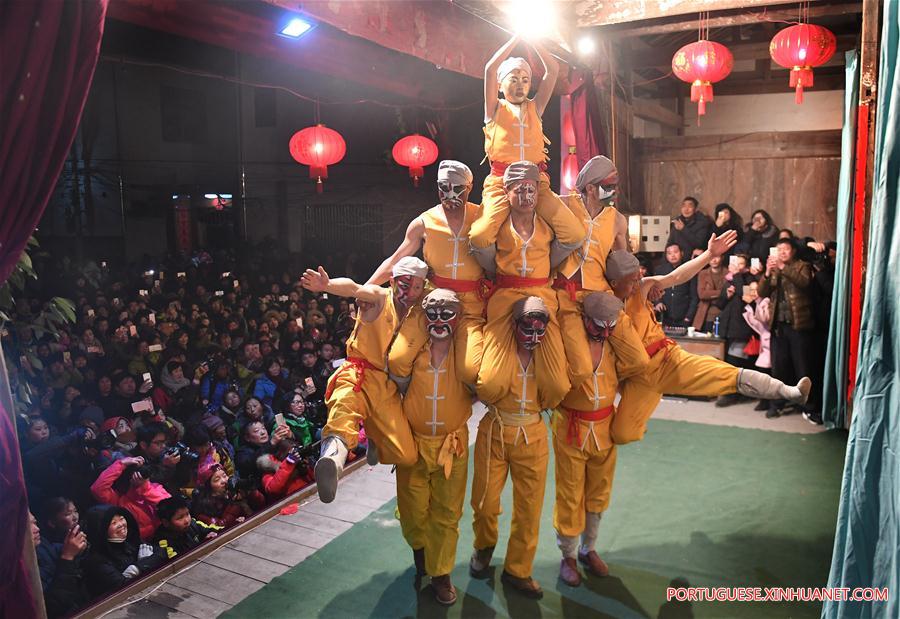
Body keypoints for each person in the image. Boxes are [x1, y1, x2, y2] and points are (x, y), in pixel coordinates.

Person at [606, 236, 812, 446]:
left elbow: (678, 275)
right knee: (623, 434)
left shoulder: (643, 287)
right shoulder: (603, 304)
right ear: (614, 282)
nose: (636, 281)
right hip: (636, 377)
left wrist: (709, 254)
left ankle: (789, 391)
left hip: (667, 360)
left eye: (637, 277)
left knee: (725, 374)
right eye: (631, 279)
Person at [301, 256, 428, 502]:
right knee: (343, 413)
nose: (410, 292)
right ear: (392, 282)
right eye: (404, 285)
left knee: (407, 454)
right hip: (358, 373)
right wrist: (326, 286)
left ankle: (374, 434)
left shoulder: (417, 310)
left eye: (417, 287)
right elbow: (354, 288)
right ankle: (332, 461)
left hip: (387, 385)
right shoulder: (379, 298)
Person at [552, 292, 648, 586]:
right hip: (570, 427)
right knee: (569, 494)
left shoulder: (614, 341)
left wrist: (617, 329)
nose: (604, 332)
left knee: (599, 493)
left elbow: (638, 361)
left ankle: (587, 549)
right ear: (583, 319)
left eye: (610, 326)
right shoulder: (569, 341)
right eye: (598, 326)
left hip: (605, 428)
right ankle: (567, 555)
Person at [477, 161, 584, 416]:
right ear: (507, 193)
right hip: (505, 295)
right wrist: (501, 273)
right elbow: (480, 242)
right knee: (490, 383)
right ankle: (504, 405)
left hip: (542, 294)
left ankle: (537, 409)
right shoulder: (498, 226)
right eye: (518, 190)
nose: (526, 196)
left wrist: (545, 268)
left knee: (557, 385)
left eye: (531, 190)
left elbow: (574, 236)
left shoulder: (547, 226)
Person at [367, 160, 485, 385]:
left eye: (456, 187)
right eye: (443, 187)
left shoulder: (483, 217)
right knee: (398, 359)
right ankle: (403, 409)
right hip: (432, 300)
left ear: (469, 188)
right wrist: (365, 289)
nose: (449, 193)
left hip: (471, 305)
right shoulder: (424, 222)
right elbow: (394, 261)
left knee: (471, 370)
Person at [470, 296, 557, 599]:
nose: (533, 337)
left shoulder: (551, 356)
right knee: (483, 503)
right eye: (527, 329)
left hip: (532, 432)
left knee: (529, 509)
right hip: (494, 428)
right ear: (514, 325)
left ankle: (519, 569)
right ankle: (484, 546)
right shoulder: (497, 350)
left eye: (539, 330)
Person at [469, 35, 583, 260]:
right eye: (513, 79)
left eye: (525, 80)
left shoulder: (536, 108)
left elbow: (553, 69)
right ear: (500, 85)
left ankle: (545, 271)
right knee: (479, 237)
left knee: (575, 234)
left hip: (537, 183)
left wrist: (532, 39)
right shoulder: (493, 109)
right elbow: (490, 70)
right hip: (501, 184)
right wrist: (516, 37)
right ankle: (496, 274)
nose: (520, 85)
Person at [391, 290, 472, 605]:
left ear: (458, 317)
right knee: (412, 509)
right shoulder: (413, 351)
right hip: (414, 442)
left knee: (447, 511)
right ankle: (420, 552)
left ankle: (441, 573)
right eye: (433, 314)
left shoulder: (465, 355)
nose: (439, 321)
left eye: (447, 314)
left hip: (453, 446)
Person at [553, 156, 628, 387]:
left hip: (601, 298)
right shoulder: (563, 205)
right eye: (609, 186)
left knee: (635, 357)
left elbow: (623, 264)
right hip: (563, 296)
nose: (615, 192)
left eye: (616, 186)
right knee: (580, 366)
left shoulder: (617, 220)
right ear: (590, 188)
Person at [758, 237, 821, 424]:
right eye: (779, 250)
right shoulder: (774, 269)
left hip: (799, 325)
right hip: (778, 326)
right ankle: (776, 404)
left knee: (803, 368)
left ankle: (808, 408)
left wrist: (784, 268)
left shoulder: (802, 266)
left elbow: (805, 283)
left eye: (785, 249)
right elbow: (762, 292)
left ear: (793, 251)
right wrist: (768, 273)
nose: (782, 253)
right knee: (779, 368)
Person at [81, 505, 166, 598]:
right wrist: (140, 566)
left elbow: (161, 553)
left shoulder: (129, 540)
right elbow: (122, 587)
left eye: (121, 519)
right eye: (113, 523)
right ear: (101, 530)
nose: (121, 524)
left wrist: (138, 567)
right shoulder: (96, 560)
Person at [90, 456, 172, 540]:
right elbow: (97, 489)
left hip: (164, 534)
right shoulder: (118, 500)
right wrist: (121, 464)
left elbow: (171, 506)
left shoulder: (154, 488)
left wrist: (144, 488)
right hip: (139, 542)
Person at [35, 502, 91, 618]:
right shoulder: (21, 566)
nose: (36, 529)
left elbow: (60, 550)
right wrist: (68, 557)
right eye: (67, 514)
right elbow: (54, 606)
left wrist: (79, 550)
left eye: (35, 523)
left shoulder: (42, 545)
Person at [153, 496, 221, 559]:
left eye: (187, 514)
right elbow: (178, 562)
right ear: (166, 522)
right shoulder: (163, 543)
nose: (187, 520)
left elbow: (216, 529)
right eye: (180, 518)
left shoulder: (193, 524)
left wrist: (212, 533)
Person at [654, 243, 698, 327]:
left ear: (682, 253)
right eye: (669, 253)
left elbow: (694, 297)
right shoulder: (660, 270)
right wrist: (658, 302)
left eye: (675, 252)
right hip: (664, 316)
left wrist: (688, 317)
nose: (672, 255)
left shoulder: (689, 270)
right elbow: (654, 290)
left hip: (683, 317)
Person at [693, 254, 726, 331]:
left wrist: (710, 294)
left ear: (722, 257)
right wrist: (721, 293)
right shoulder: (703, 274)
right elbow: (702, 294)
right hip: (705, 314)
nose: (714, 260)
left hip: (722, 313)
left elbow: (728, 295)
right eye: (711, 257)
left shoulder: (728, 273)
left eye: (717, 256)